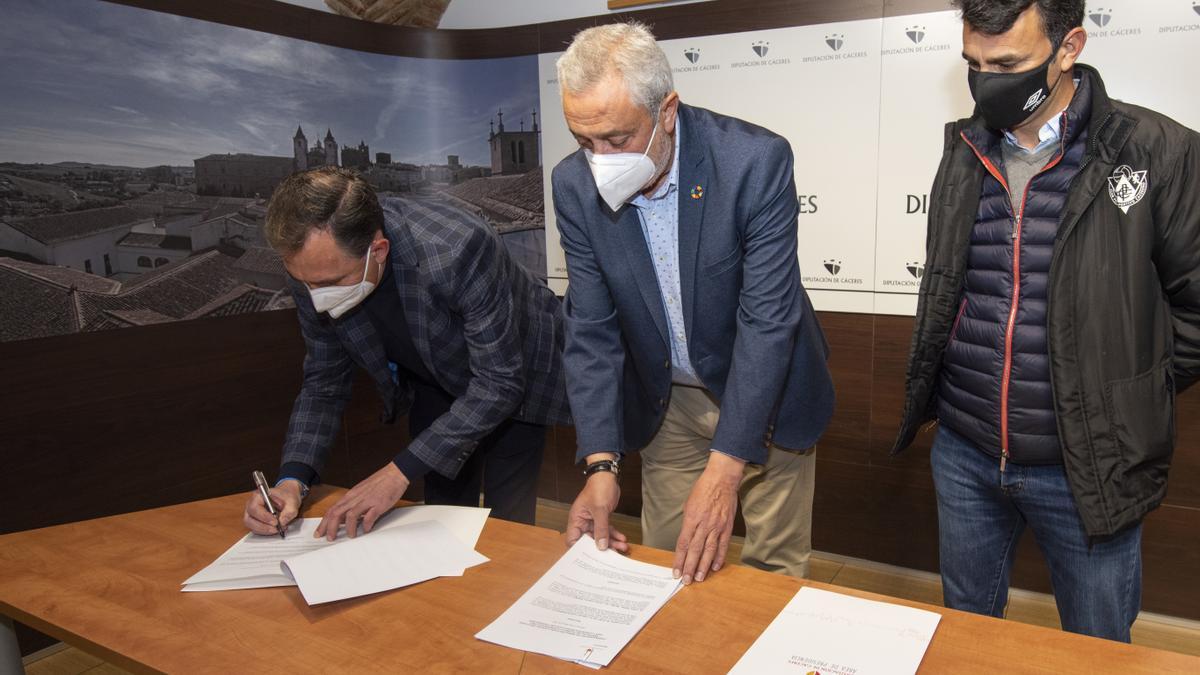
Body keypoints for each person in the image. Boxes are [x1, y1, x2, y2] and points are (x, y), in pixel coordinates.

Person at [894, 0, 1200, 642]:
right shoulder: (964, 147)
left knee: (1097, 646)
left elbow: (1195, 308)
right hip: (966, 453)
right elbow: (953, 285)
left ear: (1069, 48)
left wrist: (1122, 399)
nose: (986, 80)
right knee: (966, 638)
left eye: (1007, 63)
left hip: (1088, 464)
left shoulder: (1157, 150)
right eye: (973, 63)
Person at [551, 22, 835, 585]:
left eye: (616, 138)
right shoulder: (573, 187)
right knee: (667, 563)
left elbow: (767, 320)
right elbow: (591, 329)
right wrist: (601, 462)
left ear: (667, 110)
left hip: (767, 391)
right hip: (669, 400)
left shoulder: (753, 162)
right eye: (584, 142)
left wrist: (726, 469)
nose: (600, 159)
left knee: (770, 571)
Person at [242, 167, 571, 539]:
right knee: (442, 516)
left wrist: (394, 474)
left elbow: (499, 382)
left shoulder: (457, 248)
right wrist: (292, 480)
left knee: (506, 524)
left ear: (378, 250)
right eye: (305, 283)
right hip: (432, 378)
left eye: (331, 283)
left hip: (516, 372)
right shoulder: (315, 264)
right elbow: (324, 381)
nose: (317, 297)